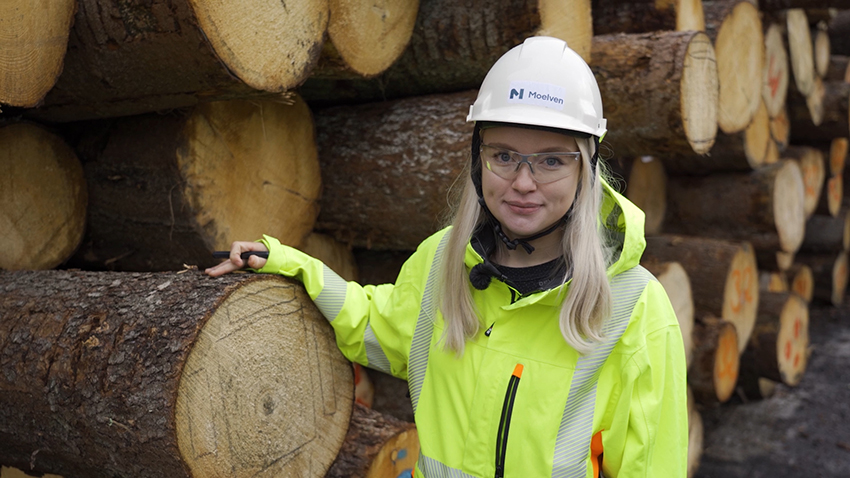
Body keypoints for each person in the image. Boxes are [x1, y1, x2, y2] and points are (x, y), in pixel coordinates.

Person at [206, 36, 688, 477]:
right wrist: (292, 264)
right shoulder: (443, 262)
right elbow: (378, 327)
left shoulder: (633, 306)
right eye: (504, 156)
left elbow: (654, 463)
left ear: (587, 167)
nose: (523, 182)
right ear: (479, 157)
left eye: (551, 161)